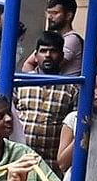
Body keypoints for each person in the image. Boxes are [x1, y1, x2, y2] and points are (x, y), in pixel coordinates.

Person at [14, 31, 78, 167]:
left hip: (52, 163)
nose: (48, 55)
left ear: (61, 56)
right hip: (20, 158)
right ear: (36, 56)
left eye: (53, 51)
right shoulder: (21, 82)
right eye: (43, 51)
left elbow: (73, 127)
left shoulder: (71, 88)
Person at [22, 0, 82, 76]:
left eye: (55, 13)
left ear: (68, 15)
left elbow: (50, 68)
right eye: (48, 13)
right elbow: (27, 65)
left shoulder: (72, 40)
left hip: (66, 87)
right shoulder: (53, 38)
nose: (49, 17)